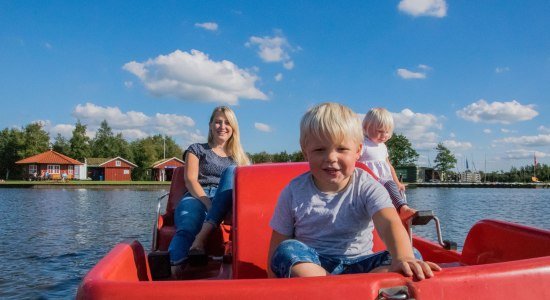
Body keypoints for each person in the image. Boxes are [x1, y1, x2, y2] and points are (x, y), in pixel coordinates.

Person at [267, 102, 440, 279]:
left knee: (411, 255)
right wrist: (273, 285)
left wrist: (403, 257)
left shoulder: (367, 185)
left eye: (342, 149)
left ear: (358, 151)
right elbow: (278, 245)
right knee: (286, 250)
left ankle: (338, 289)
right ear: (306, 152)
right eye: (319, 150)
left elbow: (389, 222)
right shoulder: (294, 191)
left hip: (362, 265)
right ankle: (336, 287)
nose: (331, 158)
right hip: (314, 264)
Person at [169, 106, 250, 278]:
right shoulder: (197, 149)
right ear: (211, 125)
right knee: (187, 224)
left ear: (233, 128)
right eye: (218, 122)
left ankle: (201, 242)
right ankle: (172, 269)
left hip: (230, 199)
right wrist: (208, 203)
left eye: (227, 122)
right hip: (198, 196)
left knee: (232, 171)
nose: (222, 126)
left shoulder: (241, 159)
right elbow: (190, 180)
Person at [360, 108, 416, 219]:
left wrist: (398, 183)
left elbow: (389, 166)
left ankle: (400, 215)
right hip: (368, 181)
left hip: (383, 182)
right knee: (389, 184)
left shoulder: (383, 147)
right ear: (366, 127)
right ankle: (403, 209)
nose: (384, 135)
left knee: (397, 189)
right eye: (380, 131)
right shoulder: (363, 144)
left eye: (387, 132)